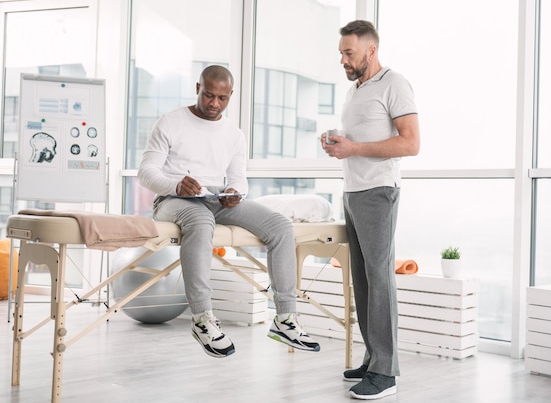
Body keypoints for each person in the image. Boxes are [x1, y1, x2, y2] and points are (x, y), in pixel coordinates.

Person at [138, 65, 320, 358]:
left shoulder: (234, 134)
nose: (214, 104)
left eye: (222, 98)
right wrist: (176, 185)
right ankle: (202, 319)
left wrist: (235, 193)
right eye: (209, 95)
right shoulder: (171, 122)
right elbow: (146, 173)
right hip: (173, 200)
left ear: (230, 95)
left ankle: (285, 318)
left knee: (280, 226)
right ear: (198, 88)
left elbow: (238, 179)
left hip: (214, 198)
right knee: (200, 219)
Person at [321, 20, 420, 399]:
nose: (343, 60)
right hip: (353, 191)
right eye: (342, 53)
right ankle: (372, 357)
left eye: (349, 53)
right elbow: (359, 140)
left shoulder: (395, 84)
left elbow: (410, 144)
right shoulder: (355, 90)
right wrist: (337, 143)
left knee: (380, 279)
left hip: (378, 191)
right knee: (361, 280)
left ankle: (386, 372)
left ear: (370, 50)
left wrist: (354, 149)